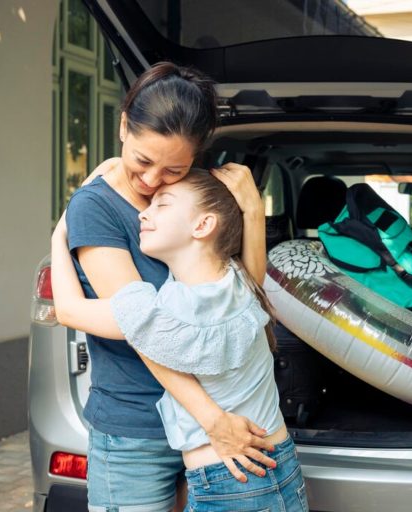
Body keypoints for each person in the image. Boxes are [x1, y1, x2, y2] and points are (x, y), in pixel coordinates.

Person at [57, 61, 275, 512]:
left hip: (212, 424)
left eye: (173, 169)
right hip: (138, 430)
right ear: (123, 127)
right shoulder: (96, 207)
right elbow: (146, 330)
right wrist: (213, 421)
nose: (153, 181)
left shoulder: (195, 193)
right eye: (142, 161)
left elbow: (242, 299)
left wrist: (252, 212)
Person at [51, 169, 309, 511]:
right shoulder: (240, 280)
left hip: (233, 486)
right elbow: (255, 268)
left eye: (162, 204)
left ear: (202, 226)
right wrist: (252, 209)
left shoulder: (170, 312)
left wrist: (61, 233)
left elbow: (68, 310)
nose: (143, 212)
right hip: (280, 468)